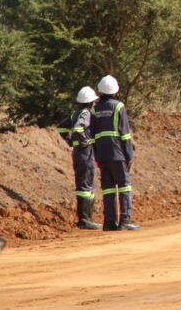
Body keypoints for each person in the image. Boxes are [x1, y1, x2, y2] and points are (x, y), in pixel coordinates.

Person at [91, 75, 140, 230]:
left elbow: (92, 135)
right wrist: (129, 155)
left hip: (102, 154)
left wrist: (96, 156)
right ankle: (125, 221)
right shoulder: (119, 107)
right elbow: (125, 134)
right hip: (117, 152)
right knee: (124, 185)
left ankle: (109, 222)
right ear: (115, 91)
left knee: (109, 187)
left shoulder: (94, 109)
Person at [56, 85, 102, 229]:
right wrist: (84, 141)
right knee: (86, 186)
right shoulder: (86, 114)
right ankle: (85, 220)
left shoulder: (75, 114)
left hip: (78, 153)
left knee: (84, 185)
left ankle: (86, 219)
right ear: (90, 102)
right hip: (85, 153)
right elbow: (77, 128)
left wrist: (70, 140)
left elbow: (61, 127)